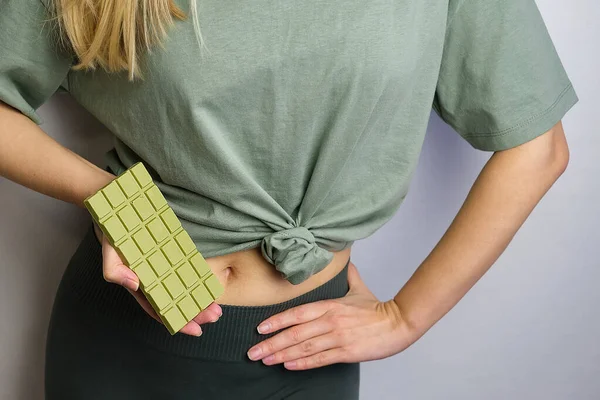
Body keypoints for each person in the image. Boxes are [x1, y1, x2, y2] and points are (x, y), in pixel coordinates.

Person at [0, 0, 578, 399]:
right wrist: (115, 204)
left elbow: (538, 146)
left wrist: (405, 318)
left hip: (305, 356)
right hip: (123, 341)